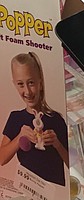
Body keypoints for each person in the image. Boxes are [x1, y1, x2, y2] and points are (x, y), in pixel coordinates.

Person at [0, 52, 68, 186]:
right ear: (14, 84)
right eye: (20, 84)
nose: (27, 91)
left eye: (31, 83)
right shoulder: (15, 118)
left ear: (40, 83)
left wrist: (57, 144)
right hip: (26, 187)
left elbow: (72, 163)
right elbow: (2, 159)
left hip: (54, 190)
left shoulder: (55, 119)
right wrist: (19, 137)